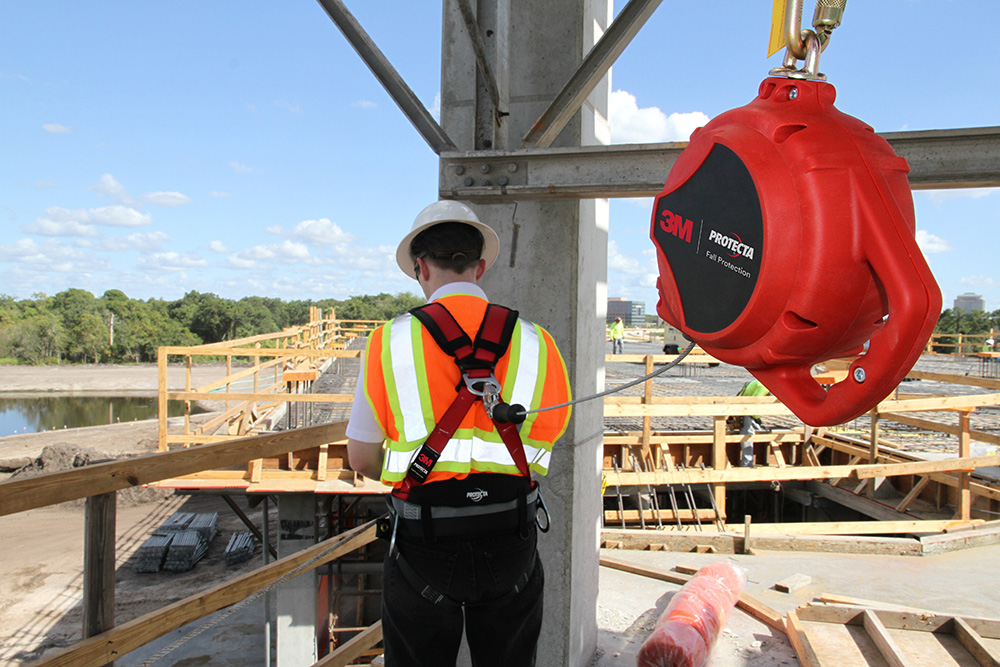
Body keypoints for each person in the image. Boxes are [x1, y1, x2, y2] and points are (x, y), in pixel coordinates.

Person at [345, 200, 572, 667]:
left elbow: (362, 459)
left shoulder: (387, 342)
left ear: (419, 267)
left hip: (423, 543)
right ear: (480, 266)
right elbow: (550, 434)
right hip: (511, 535)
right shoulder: (538, 341)